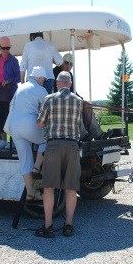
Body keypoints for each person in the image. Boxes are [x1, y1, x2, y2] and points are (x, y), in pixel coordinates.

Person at [36, 71, 83, 238]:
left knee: (49, 187)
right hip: (72, 145)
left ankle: (48, 226)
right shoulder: (78, 101)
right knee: (71, 188)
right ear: (70, 84)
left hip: (54, 144)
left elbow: (40, 124)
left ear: (57, 83)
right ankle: (68, 225)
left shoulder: (49, 99)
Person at [4, 66, 48, 200]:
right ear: (39, 77)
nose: (44, 81)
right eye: (44, 79)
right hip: (28, 124)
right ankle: (37, 167)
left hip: (13, 127)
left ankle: (30, 193)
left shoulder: (20, 87)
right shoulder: (41, 90)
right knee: (48, 138)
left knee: (24, 160)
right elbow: (48, 109)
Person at [0, 37, 20, 149]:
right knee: (1, 116)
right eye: (4, 48)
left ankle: (11, 142)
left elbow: (18, 78)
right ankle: (3, 141)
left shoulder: (14, 60)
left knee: (9, 116)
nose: (6, 50)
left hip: (9, 92)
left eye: (8, 48)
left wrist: (8, 81)